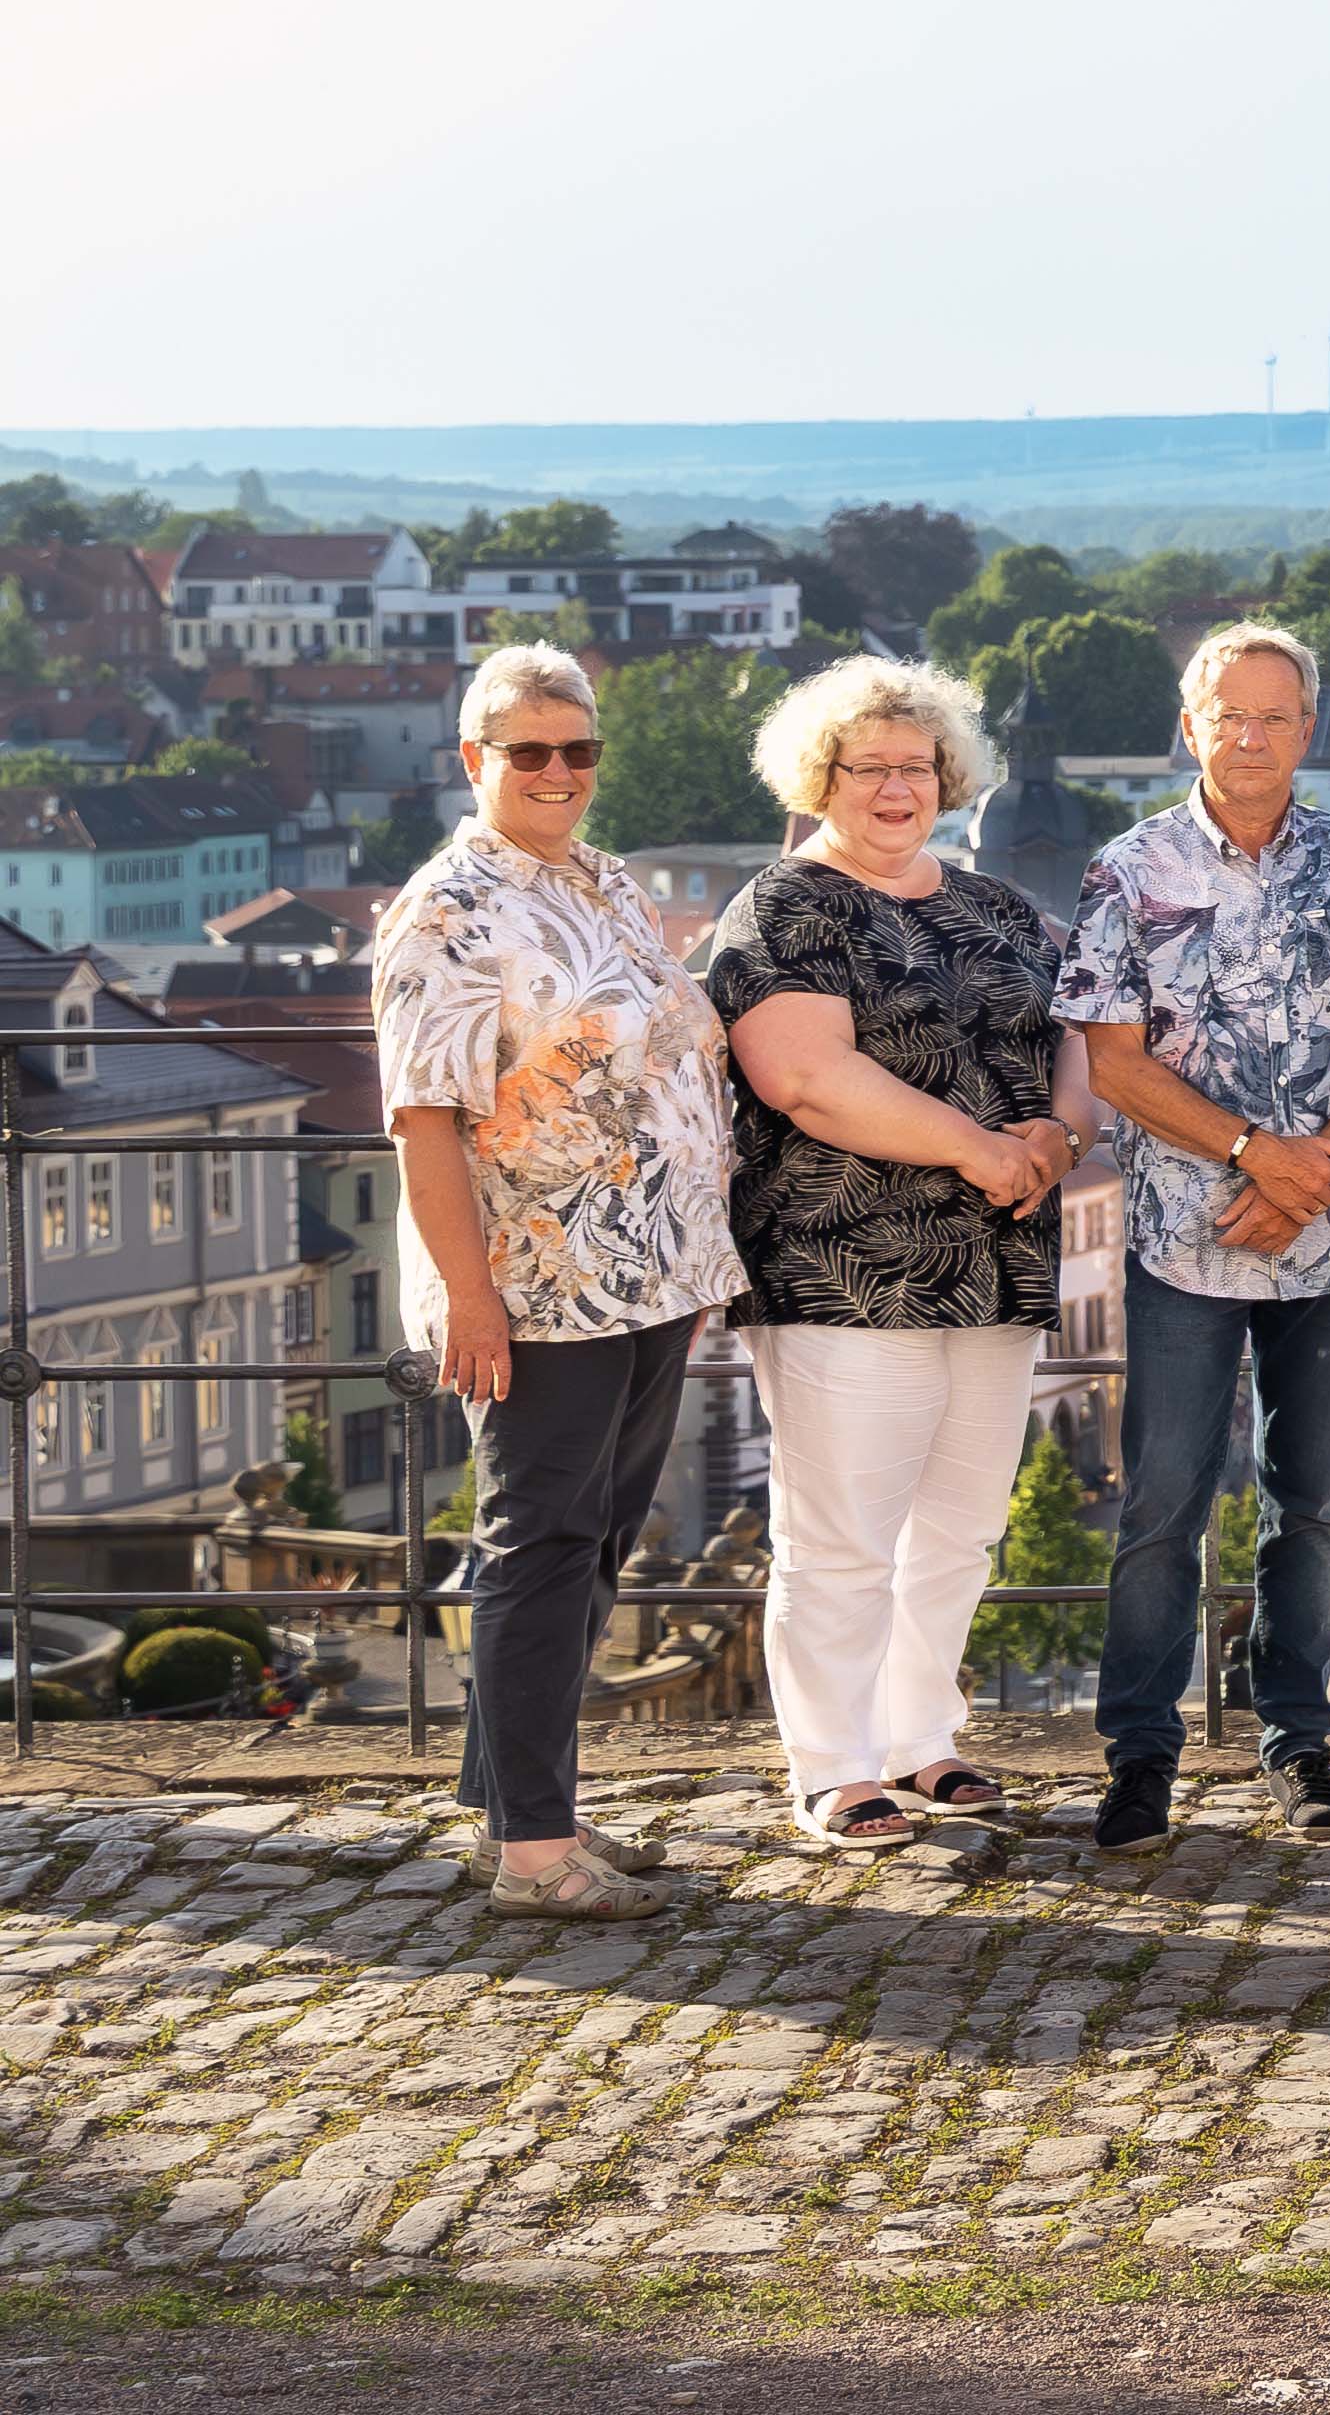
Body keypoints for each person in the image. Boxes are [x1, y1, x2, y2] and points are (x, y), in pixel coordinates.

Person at [373, 643, 746, 1917]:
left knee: (589, 1545)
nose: (556, 771)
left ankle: (521, 1808)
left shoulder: (603, 879)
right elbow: (424, 1120)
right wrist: (468, 1297)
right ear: (473, 759)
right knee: (534, 1545)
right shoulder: (447, 913)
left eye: (577, 749)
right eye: (526, 750)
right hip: (537, 1283)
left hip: (648, 1273)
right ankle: (535, 1856)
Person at [1054, 620, 1330, 1854]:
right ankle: (1141, 1757)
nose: (1252, 737)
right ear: (1190, 724)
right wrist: (1251, 1154)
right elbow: (1112, 1062)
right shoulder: (1131, 868)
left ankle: (1298, 1740)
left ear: (1308, 730)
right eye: (1230, 716)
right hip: (1184, 1238)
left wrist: (1308, 1180)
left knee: (1309, 1502)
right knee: (1165, 1502)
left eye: (1275, 716)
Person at [708, 656, 1076, 1856]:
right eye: (865, 766)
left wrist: (1058, 1132)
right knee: (842, 1532)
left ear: (948, 776)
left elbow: (1080, 1035)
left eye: (915, 765)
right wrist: (983, 1148)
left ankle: (925, 1735)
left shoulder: (1000, 907)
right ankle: (833, 1763)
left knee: (961, 1524)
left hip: (999, 1257)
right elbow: (806, 1077)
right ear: (820, 777)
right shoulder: (783, 907)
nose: (894, 786)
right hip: (839, 1259)